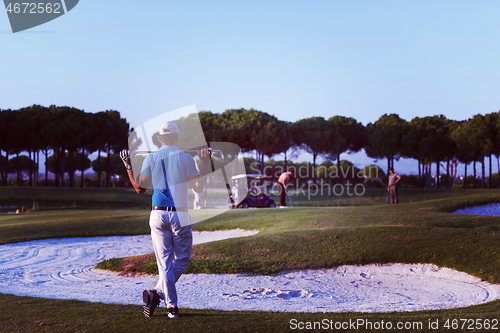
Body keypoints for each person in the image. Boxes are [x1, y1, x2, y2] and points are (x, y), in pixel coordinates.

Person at [120, 120, 210, 319]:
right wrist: (205, 162)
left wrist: (128, 167)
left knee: (165, 264)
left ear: (160, 138)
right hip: (180, 214)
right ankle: (171, 306)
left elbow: (139, 188)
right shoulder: (186, 158)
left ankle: (158, 295)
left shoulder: (150, 158)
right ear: (177, 138)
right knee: (183, 259)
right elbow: (198, 187)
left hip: (157, 214)